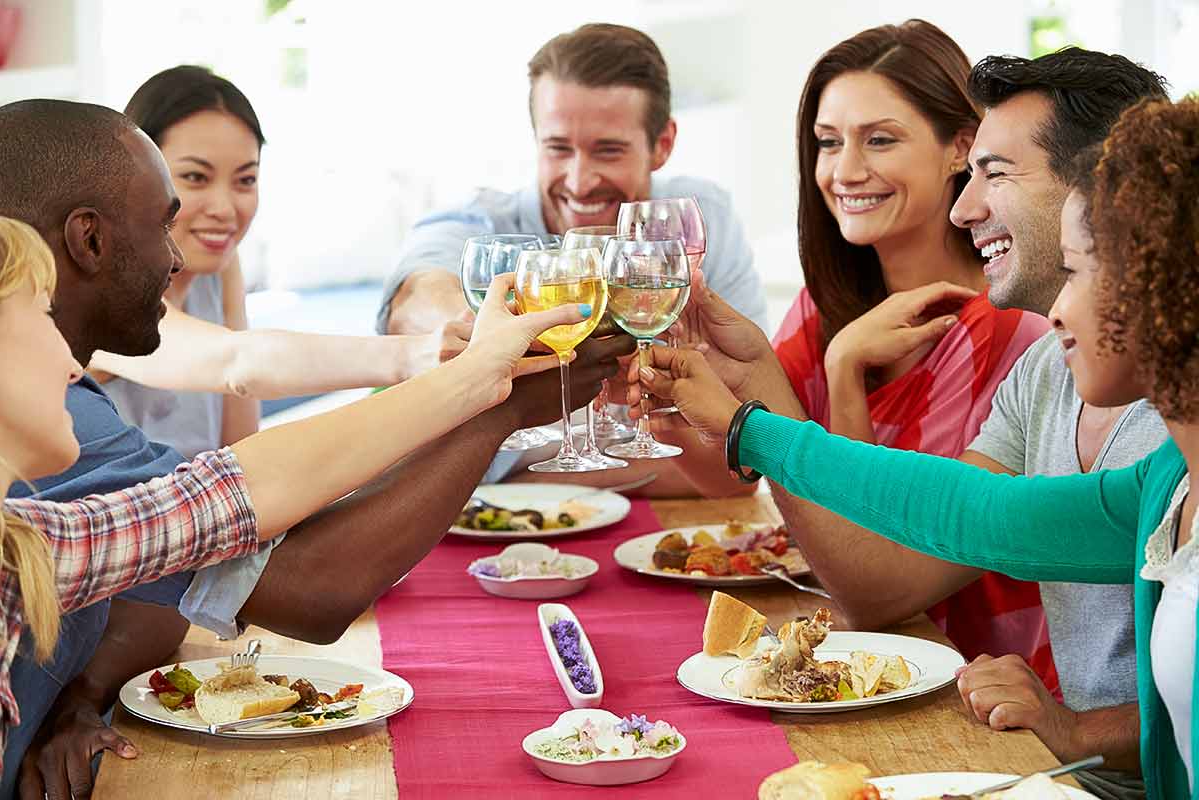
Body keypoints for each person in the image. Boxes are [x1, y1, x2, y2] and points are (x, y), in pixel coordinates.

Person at [0, 99, 633, 799]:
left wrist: (482, 391)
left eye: (246, 179)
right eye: (39, 316)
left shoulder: (48, 542)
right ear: (86, 240)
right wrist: (479, 392)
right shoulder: (60, 476)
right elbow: (269, 543)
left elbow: (216, 504)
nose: (75, 372)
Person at [639, 96, 1199, 800]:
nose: (1058, 307)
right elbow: (968, 510)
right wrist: (752, 420)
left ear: (1166, 284)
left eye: (1081, 269)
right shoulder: (1165, 483)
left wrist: (752, 421)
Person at [672, 19, 1057, 700]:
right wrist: (658, 393)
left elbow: (875, 574)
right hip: (871, 671)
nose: (845, 171)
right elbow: (729, 473)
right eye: (828, 143)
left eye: (880, 139)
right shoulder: (821, 311)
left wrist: (843, 377)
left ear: (959, 149)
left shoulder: (1010, 332)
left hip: (979, 689)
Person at [376, 22, 767, 493]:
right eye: (558, 148)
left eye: (608, 150)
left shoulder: (693, 230)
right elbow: (412, 301)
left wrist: (533, 472)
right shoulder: (486, 223)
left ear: (662, 144)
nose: (580, 181)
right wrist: (470, 325)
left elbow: (739, 472)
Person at [87, 65, 462, 459]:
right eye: (196, 177)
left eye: (245, 180)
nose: (225, 208)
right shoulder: (100, 294)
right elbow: (239, 363)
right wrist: (416, 353)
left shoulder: (220, 268)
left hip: (208, 510)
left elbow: (240, 449)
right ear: (136, 176)